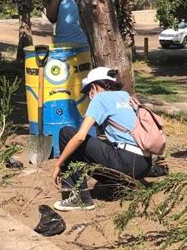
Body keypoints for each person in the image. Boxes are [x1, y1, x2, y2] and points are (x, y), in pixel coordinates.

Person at [52, 67, 152, 211]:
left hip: (127, 160)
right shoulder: (125, 96)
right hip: (143, 164)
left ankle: (80, 197)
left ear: (93, 87)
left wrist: (58, 164)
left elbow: (80, 137)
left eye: (87, 92)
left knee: (67, 133)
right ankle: (122, 186)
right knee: (93, 148)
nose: (88, 96)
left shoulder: (100, 98)